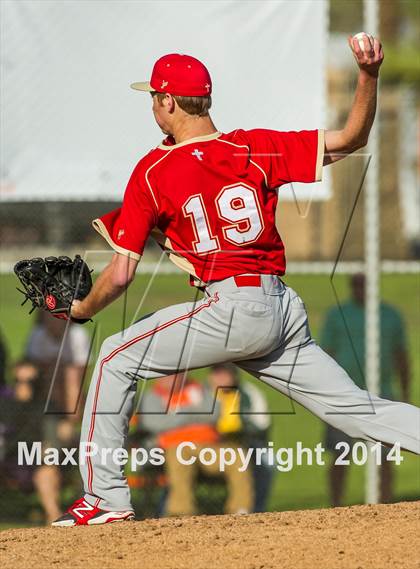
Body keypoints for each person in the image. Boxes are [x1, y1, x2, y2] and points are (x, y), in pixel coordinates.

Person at [51, 37, 420, 527]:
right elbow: (353, 137)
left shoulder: (154, 170)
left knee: (116, 358)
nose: (153, 110)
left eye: (153, 99)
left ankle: (106, 498)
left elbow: (120, 275)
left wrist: (81, 310)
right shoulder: (257, 146)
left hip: (231, 306)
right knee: (356, 410)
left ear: (168, 102)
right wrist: (368, 74)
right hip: (281, 311)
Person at [321, 273, 411, 505]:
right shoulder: (337, 314)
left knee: (385, 456)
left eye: (365, 284)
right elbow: (325, 354)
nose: (361, 289)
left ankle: (385, 506)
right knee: (340, 454)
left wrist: (405, 394)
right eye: (357, 284)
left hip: (382, 393)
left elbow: (401, 357)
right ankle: (335, 507)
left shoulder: (390, 315)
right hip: (343, 395)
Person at [138, 372, 253, 516]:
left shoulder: (197, 389)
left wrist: (176, 414)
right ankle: (181, 513)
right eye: (168, 374)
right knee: (180, 454)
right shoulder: (153, 396)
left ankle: (240, 511)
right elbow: (154, 423)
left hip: (208, 447)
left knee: (236, 454)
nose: (173, 378)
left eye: (178, 374)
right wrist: (194, 412)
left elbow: (214, 413)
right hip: (172, 447)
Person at [0, 360, 62, 523]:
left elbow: (55, 436)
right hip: (8, 459)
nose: (24, 386)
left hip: (35, 459)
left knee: (46, 473)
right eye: (19, 381)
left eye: (30, 382)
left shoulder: (46, 406)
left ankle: (54, 517)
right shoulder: (4, 405)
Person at [208, 364, 273, 512]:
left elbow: (262, 424)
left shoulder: (249, 394)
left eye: (226, 374)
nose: (222, 378)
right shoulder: (201, 394)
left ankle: (256, 510)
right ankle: (170, 511)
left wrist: (241, 428)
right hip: (207, 446)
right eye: (218, 373)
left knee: (268, 461)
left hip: (242, 443)